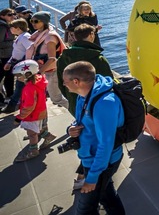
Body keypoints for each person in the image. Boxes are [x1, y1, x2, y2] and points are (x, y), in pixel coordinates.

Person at [63, 61, 125, 214]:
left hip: (102, 162)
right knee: (108, 197)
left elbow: (106, 144)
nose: (64, 84)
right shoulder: (83, 95)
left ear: (76, 82)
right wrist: (71, 128)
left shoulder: (104, 103)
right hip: (91, 159)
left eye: (65, 81)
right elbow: (81, 119)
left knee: (85, 209)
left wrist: (92, 177)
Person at [57, 24, 114, 117]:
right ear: (91, 34)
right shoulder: (98, 58)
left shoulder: (62, 58)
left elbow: (61, 83)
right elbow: (109, 83)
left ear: (74, 36)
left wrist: (72, 98)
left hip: (74, 104)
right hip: (97, 105)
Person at [11, 59, 53, 162]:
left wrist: (19, 118)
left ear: (27, 74)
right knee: (41, 128)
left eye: (19, 75)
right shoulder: (39, 80)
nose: (17, 78)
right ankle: (49, 137)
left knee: (32, 133)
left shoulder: (29, 88)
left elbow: (29, 106)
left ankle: (33, 151)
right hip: (41, 111)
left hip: (32, 116)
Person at [26, 11, 69, 109]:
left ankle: (79, 114)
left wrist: (39, 73)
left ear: (44, 22)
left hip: (51, 71)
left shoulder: (50, 37)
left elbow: (52, 59)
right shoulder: (39, 34)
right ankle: (43, 123)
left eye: (36, 21)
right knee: (41, 97)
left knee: (56, 99)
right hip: (45, 70)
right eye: (31, 21)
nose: (33, 23)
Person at [1, 19, 33, 113]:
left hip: (23, 64)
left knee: (20, 85)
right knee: (21, 85)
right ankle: (21, 104)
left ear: (18, 28)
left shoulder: (25, 37)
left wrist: (26, 62)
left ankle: (12, 105)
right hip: (18, 62)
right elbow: (16, 52)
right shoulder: (20, 37)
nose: (10, 29)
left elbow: (30, 49)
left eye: (12, 27)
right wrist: (10, 62)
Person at [1, 8, 16, 102]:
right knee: (7, 76)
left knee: (9, 76)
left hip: (7, 55)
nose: (13, 16)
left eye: (13, 14)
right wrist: (13, 43)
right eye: (9, 15)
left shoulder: (7, 25)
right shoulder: (2, 27)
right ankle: (9, 96)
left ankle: (9, 95)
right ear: (2, 16)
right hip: (3, 56)